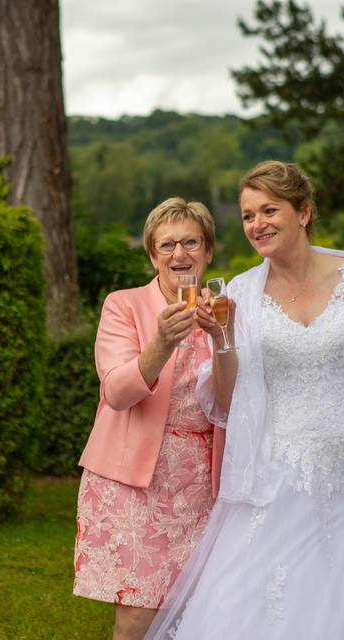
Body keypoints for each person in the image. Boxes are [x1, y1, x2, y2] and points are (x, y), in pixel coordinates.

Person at [146, 162, 344, 639]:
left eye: (269, 210)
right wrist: (222, 338)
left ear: (304, 212)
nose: (257, 224)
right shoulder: (241, 293)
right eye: (248, 215)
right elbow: (230, 402)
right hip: (275, 479)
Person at [73, 197, 227, 640]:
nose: (180, 254)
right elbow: (117, 393)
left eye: (191, 242)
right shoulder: (123, 305)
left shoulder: (224, 310)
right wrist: (160, 342)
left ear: (208, 250)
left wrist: (224, 338)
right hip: (135, 479)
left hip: (203, 482)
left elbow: (239, 400)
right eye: (167, 245)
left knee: (200, 608)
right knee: (139, 610)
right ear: (151, 253)